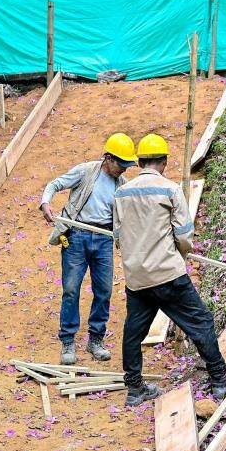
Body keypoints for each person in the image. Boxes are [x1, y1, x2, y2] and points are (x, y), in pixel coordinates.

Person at [113, 133, 226, 407]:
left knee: (134, 332)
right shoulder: (169, 189)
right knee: (200, 323)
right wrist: (182, 254)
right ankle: (219, 381)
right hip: (167, 274)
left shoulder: (121, 193)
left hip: (137, 278)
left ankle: (134, 389)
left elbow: (118, 235)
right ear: (164, 161)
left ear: (139, 161)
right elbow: (184, 234)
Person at [40, 133, 138, 365]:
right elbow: (55, 184)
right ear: (108, 158)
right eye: (120, 164)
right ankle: (68, 341)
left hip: (103, 239)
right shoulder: (86, 171)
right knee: (71, 289)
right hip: (76, 236)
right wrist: (45, 203)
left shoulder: (122, 186)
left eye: (126, 166)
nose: (123, 170)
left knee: (103, 290)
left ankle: (96, 340)